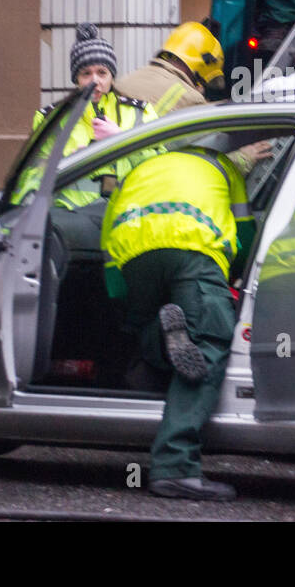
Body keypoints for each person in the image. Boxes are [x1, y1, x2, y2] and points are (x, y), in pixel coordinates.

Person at [100, 144, 262, 501]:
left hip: (134, 254)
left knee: (144, 332)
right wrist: (236, 277)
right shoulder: (223, 167)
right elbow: (246, 232)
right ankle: (175, 468)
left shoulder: (139, 170)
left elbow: (107, 245)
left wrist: (123, 306)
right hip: (195, 251)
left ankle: (159, 334)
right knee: (208, 343)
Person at [22, 24, 159, 250]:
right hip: (70, 224)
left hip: (129, 217)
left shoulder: (140, 112)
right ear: (76, 79)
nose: (95, 80)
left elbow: (159, 166)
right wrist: (64, 163)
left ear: (112, 76)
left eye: (102, 72)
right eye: (86, 73)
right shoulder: (50, 119)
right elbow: (32, 177)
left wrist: (122, 139)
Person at [112, 21, 226, 116]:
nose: (200, 86)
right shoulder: (191, 99)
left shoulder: (126, 80)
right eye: (201, 82)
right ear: (201, 68)